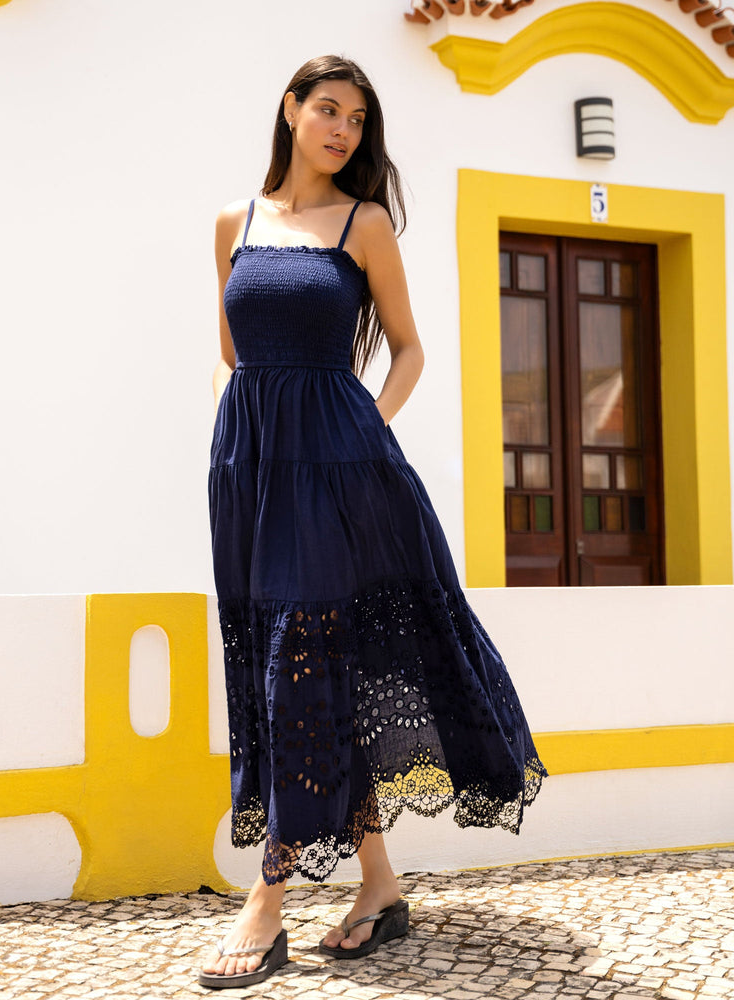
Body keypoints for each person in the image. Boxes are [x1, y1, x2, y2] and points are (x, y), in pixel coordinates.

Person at [201, 55, 547, 990]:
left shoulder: (365, 223)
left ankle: (267, 898)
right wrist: (248, 438)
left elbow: (409, 348)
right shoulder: (234, 222)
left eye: (357, 119)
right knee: (297, 657)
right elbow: (232, 353)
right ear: (290, 110)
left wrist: (366, 431)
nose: (342, 129)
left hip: (343, 472)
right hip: (251, 472)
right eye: (328, 110)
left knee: (299, 659)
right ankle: (381, 885)